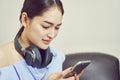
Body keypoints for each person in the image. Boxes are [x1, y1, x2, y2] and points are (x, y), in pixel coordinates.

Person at [0, 0, 83, 80]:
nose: (52, 35)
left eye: (57, 27)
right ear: (25, 19)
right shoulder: (2, 58)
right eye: (45, 26)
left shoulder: (56, 58)